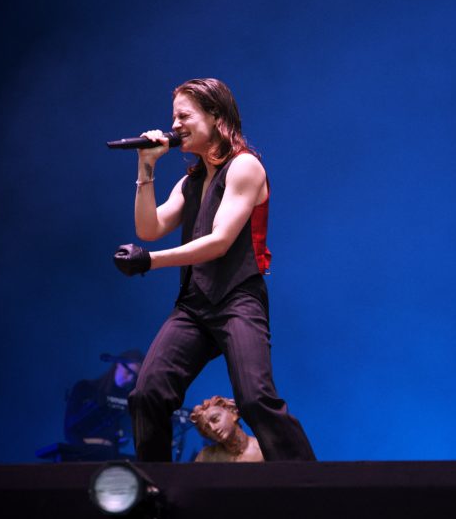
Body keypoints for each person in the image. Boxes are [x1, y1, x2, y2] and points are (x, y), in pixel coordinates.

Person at [113, 78, 315, 462]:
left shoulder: (245, 167)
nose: (175, 125)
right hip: (194, 306)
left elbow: (220, 241)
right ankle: (156, 491)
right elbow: (148, 228)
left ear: (216, 116)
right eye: (173, 116)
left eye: (184, 116)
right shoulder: (191, 182)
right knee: (148, 394)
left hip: (238, 298)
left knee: (256, 400)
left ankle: (312, 488)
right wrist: (146, 167)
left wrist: (149, 261)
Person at [63, 349, 144, 454]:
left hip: (110, 456)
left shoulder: (130, 400)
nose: (130, 379)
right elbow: (69, 430)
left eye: (135, 377)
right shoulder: (85, 388)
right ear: (118, 365)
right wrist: (90, 444)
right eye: (128, 372)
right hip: (83, 455)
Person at [190, 395, 264, 462]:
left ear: (233, 413)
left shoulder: (263, 448)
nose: (213, 429)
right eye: (207, 428)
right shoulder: (205, 457)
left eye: (215, 419)